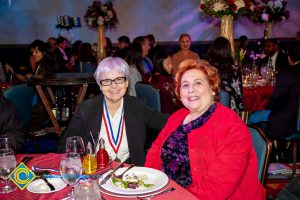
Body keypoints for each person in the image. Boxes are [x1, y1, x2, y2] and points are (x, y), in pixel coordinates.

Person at [145, 59, 265, 199]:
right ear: (179, 94)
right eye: (185, 85)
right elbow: (155, 151)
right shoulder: (177, 117)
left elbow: (216, 188)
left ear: (212, 89)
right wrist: (153, 183)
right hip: (166, 190)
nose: (191, 90)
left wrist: (171, 196)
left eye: (198, 83)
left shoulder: (232, 127)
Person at [58, 57, 168, 166]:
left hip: (130, 171)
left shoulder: (138, 107)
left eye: (119, 79)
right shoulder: (86, 109)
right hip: (96, 170)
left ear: (126, 82)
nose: (113, 86)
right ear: (100, 85)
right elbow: (66, 144)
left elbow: (167, 122)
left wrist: (185, 115)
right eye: (106, 81)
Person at [206, 36, 244, 113]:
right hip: (229, 111)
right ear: (228, 51)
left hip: (207, 108)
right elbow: (238, 94)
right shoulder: (234, 69)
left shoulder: (206, 69)